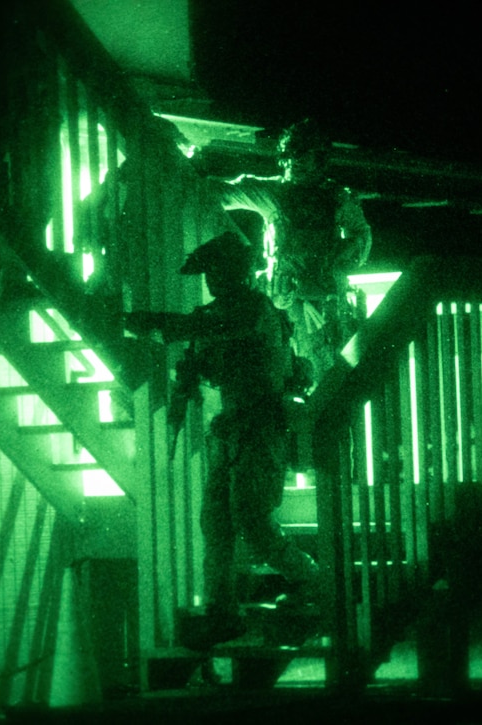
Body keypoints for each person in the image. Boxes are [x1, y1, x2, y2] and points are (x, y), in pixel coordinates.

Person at [125, 232, 319, 650]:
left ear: (240, 271)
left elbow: (212, 327)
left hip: (261, 428)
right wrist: (180, 394)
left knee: (253, 519)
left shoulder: (255, 309)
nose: (212, 279)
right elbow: (192, 365)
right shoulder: (213, 315)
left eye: (219, 269)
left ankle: (310, 580)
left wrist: (154, 322)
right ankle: (222, 612)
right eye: (209, 271)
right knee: (216, 524)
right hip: (228, 431)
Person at [214, 119, 373, 387]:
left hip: (328, 306)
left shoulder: (336, 198)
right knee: (281, 373)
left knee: (331, 379)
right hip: (283, 304)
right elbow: (222, 193)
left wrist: (339, 259)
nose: (295, 161)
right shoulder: (273, 193)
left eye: (304, 154)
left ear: (318, 158)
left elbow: (361, 234)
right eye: (290, 155)